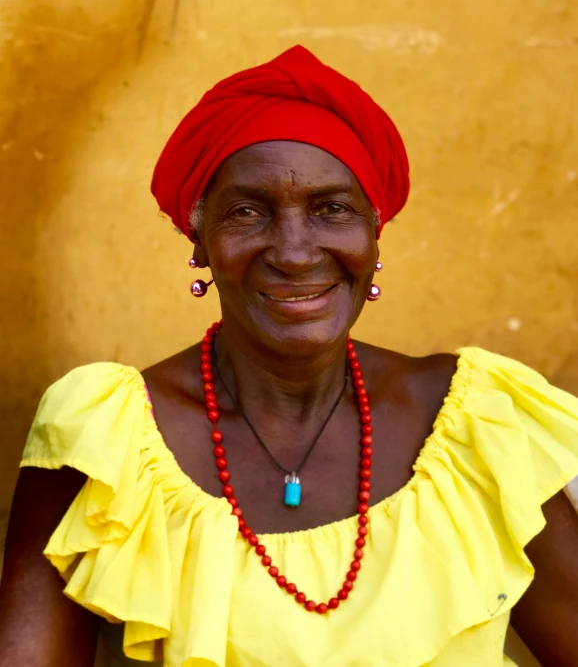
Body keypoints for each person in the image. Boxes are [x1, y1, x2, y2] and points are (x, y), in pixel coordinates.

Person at [1, 45, 578, 667]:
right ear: (200, 240)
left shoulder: (478, 425)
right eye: (248, 212)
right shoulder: (106, 444)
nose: (296, 252)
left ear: (373, 234)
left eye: (333, 209)